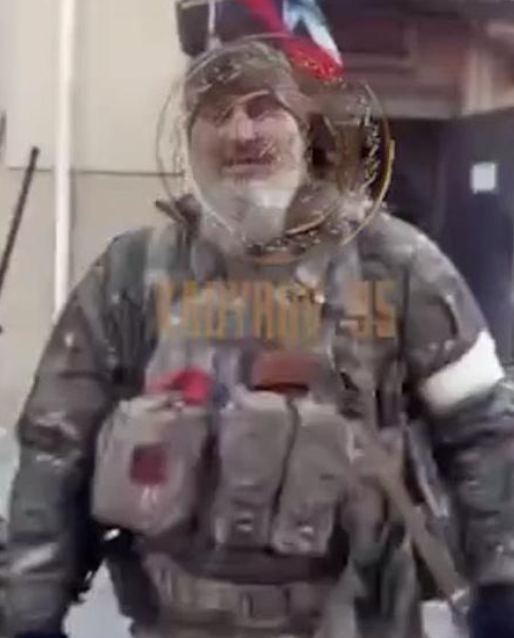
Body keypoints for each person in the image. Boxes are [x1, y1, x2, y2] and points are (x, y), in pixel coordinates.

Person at [5, 39, 514, 638]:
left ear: (304, 129)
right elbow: (57, 445)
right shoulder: (132, 275)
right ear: (191, 138)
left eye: (263, 109)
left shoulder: (396, 264)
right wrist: (30, 609)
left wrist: (502, 578)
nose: (242, 133)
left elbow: (482, 428)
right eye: (217, 114)